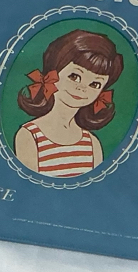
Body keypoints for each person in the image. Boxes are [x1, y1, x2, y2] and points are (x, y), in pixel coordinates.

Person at [13, 29, 124, 177]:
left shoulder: (92, 143)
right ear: (53, 73)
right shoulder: (30, 135)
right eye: (74, 76)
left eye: (95, 84)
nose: (82, 88)